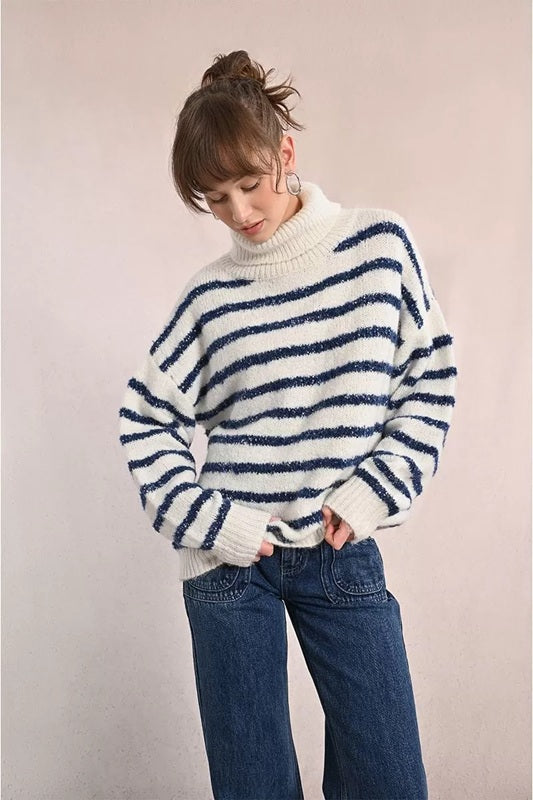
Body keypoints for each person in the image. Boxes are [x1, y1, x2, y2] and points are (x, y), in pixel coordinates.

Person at [118, 49, 457, 800]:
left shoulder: (378, 246)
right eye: (215, 199)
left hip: (339, 550)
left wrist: (372, 492)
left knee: (389, 778)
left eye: (248, 184)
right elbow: (145, 420)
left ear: (286, 154)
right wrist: (216, 523)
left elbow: (429, 379)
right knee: (253, 787)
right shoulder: (208, 299)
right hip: (229, 567)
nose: (239, 212)